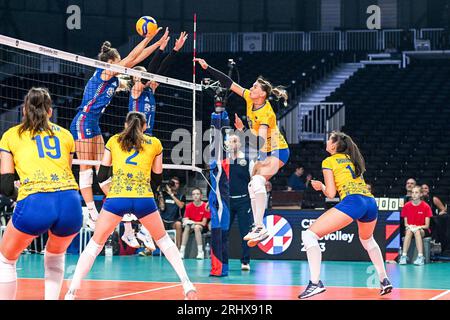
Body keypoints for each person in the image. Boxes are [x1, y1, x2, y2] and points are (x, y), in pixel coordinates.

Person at [65, 112, 197, 300]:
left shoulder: (114, 141)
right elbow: (157, 177)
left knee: (95, 244)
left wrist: (114, 194)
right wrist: (145, 193)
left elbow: (102, 176)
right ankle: (187, 284)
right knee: (164, 241)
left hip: (117, 197)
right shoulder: (155, 143)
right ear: (144, 126)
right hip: (144, 198)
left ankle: (71, 292)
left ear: (126, 124)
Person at [69, 28, 164, 230]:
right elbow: (131, 57)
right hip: (83, 121)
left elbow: (134, 61)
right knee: (86, 167)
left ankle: (126, 221)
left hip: (93, 123)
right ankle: (91, 212)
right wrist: (148, 38)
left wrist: (156, 45)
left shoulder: (114, 78)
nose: (123, 64)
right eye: (119, 61)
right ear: (111, 61)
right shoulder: (104, 71)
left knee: (102, 168)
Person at [195, 58, 290, 248]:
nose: (251, 88)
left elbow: (261, 143)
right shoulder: (249, 98)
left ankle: (260, 227)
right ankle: (258, 226)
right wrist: (208, 67)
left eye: (255, 87)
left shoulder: (266, 114)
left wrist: (260, 161)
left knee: (256, 181)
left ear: (262, 94)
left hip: (277, 151)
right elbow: (229, 84)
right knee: (251, 186)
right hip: (265, 149)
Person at [0, 87, 82, 300]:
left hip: (36, 201)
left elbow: (6, 186)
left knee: (5, 260)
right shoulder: (66, 135)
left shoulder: (11, 136)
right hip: (71, 203)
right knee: (55, 258)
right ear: (50, 111)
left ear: (24, 111)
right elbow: (67, 170)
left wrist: (22, 194)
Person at [299, 131, 392, 299]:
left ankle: (315, 283)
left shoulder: (329, 160)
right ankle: (384, 279)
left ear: (334, 145)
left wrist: (321, 187)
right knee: (367, 239)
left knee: (309, 235)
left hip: (353, 201)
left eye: (329, 139)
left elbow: (331, 194)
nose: (326, 141)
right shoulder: (352, 158)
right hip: (370, 202)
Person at [227, 134, 254, 271]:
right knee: (224, 231)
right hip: (228, 201)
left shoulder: (247, 160)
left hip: (244, 201)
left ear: (240, 144)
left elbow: (253, 181)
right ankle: (222, 260)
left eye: (235, 141)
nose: (233, 143)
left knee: (245, 232)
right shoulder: (224, 161)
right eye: (231, 141)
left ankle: (245, 261)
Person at [399, 186, 432, 266]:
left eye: (416, 192)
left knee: (417, 231)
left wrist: (418, 227)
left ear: (421, 194)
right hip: (410, 228)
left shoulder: (426, 207)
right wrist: (411, 226)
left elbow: (427, 225)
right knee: (409, 231)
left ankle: (420, 257)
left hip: (422, 229)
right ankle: (404, 256)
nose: (414, 194)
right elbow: (405, 224)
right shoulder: (406, 206)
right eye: (412, 192)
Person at [180, 188, 210, 259]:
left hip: (202, 227)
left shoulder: (205, 206)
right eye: (193, 194)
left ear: (201, 196)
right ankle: (182, 251)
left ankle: (200, 252)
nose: (195, 196)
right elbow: (186, 218)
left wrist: (193, 222)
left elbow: (204, 223)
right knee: (187, 227)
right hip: (191, 226)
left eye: (197, 194)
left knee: (196, 227)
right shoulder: (188, 206)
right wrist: (186, 221)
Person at [158, 176, 185, 248]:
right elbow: (162, 208)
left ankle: (178, 248)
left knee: (178, 224)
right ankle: (150, 249)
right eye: (173, 183)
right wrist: (161, 195)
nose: (175, 185)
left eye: (177, 183)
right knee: (154, 223)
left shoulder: (181, 196)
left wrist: (171, 194)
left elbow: (181, 206)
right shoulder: (164, 194)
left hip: (174, 221)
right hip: (164, 220)